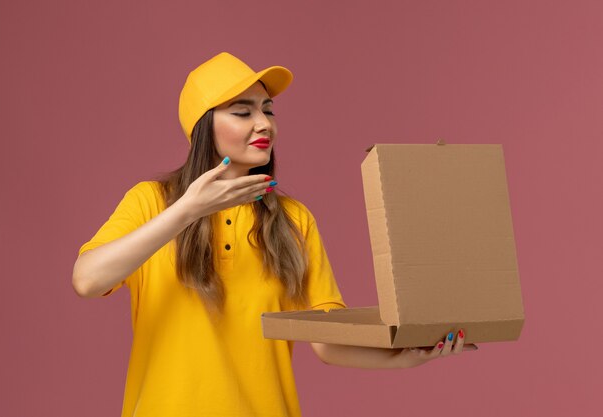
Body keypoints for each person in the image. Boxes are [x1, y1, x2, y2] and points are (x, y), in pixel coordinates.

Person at [72, 52, 475, 417]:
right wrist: (187, 211)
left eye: (268, 110)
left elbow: (325, 341)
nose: (264, 123)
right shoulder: (152, 202)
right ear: (203, 126)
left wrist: (406, 356)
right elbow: (88, 280)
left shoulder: (294, 220)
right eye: (242, 111)